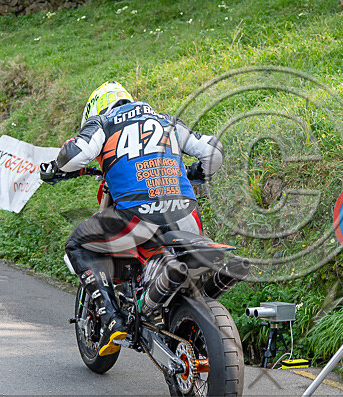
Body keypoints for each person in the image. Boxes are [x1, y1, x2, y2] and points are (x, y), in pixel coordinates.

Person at [41, 81, 223, 357]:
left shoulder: (104, 122)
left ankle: (112, 318)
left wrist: (55, 167)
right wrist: (195, 173)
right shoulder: (166, 120)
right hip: (187, 217)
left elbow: (74, 156)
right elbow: (213, 152)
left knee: (77, 245)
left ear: (96, 108)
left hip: (138, 216)